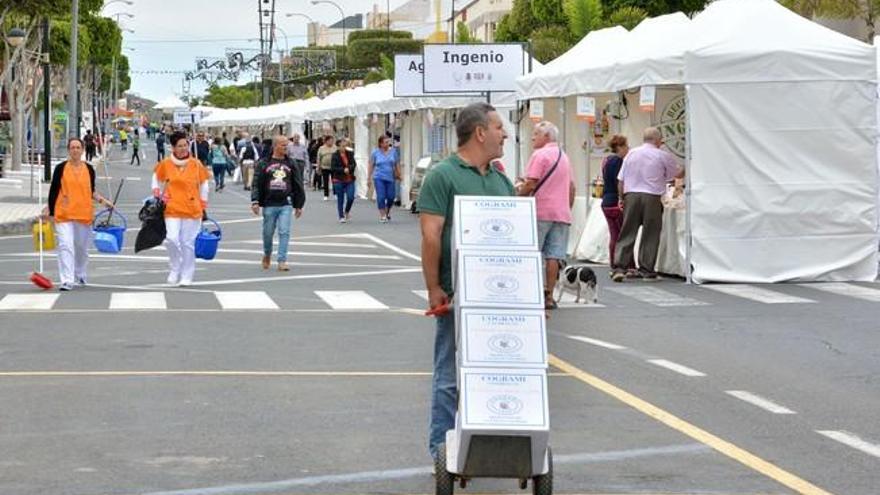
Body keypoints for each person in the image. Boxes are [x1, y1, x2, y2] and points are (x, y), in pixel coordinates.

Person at [418, 102, 513, 461]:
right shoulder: (443, 175)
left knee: (496, 373)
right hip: (458, 294)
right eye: (499, 127)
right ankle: (441, 450)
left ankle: (489, 445)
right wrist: (433, 287)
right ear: (480, 132)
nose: (505, 133)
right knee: (449, 375)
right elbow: (431, 235)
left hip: (500, 296)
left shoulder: (501, 179)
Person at [611, 127, 684, 282]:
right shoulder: (662, 155)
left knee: (627, 231)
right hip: (652, 197)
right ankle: (646, 269)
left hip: (631, 195)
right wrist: (684, 168)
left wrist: (622, 198)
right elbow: (676, 174)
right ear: (658, 140)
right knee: (650, 233)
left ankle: (619, 268)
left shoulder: (631, 154)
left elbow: (621, 180)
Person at [516, 121, 575, 310]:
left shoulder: (539, 155)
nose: (533, 137)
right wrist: (567, 208)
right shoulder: (564, 157)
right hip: (561, 213)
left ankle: (531, 293)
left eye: (536, 134)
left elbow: (531, 183)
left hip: (540, 211)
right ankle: (549, 296)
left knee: (532, 253)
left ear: (547, 137)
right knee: (554, 256)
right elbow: (572, 187)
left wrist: (516, 198)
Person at [45, 138, 113, 291]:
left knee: (81, 248)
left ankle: (80, 272)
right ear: (69, 150)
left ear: (82, 150)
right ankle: (67, 280)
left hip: (83, 214)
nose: (75, 150)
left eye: (78, 147)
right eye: (72, 147)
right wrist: (50, 209)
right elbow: (54, 190)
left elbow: (92, 191)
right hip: (63, 214)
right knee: (65, 245)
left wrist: (104, 201)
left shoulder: (89, 169)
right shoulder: (61, 168)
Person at [152, 131, 211, 287]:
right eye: (180, 146)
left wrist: (203, 202)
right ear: (173, 147)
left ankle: (187, 274)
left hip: (192, 209)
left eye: (185, 145)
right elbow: (156, 178)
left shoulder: (196, 164)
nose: (183, 148)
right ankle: (175, 267)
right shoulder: (166, 163)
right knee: (171, 239)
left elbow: (204, 184)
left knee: (187, 243)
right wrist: (157, 194)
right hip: (171, 208)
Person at [251, 135, 306, 271]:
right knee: (268, 233)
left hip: (285, 203)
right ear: (275, 146)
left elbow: (297, 184)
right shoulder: (264, 163)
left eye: (287, 145)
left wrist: (299, 204)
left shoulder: (291, 163)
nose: (286, 147)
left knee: (284, 231)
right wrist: (255, 201)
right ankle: (267, 253)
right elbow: (256, 183)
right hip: (269, 203)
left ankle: (282, 260)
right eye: (283, 145)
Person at [601, 135, 629, 270]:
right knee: (622, 235)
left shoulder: (606, 160)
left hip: (606, 201)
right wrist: (622, 198)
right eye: (626, 146)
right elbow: (619, 182)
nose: (628, 149)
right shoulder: (618, 162)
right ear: (620, 147)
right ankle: (622, 263)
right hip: (615, 202)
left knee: (614, 235)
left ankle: (613, 261)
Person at [369, 135, 400, 223]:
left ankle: (387, 209)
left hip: (390, 177)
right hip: (378, 177)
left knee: (391, 197)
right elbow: (371, 165)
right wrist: (368, 177)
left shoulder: (393, 152)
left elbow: (397, 163)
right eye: (386, 142)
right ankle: (382, 215)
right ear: (381, 144)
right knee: (381, 196)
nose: (388, 144)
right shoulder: (375, 153)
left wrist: (399, 174)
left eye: (388, 142)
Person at [330, 137, 357, 223]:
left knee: (351, 197)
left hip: (349, 179)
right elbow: (333, 167)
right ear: (338, 146)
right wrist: (343, 170)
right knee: (340, 198)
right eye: (342, 146)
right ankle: (341, 216)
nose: (343, 148)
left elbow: (354, 164)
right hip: (338, 179)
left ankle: (347, 211)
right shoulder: (335, 155)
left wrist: (349, 168)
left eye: (344, 146)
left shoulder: (350, 153)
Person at [316, 135, 336, 201]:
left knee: (335, 181)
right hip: (324, 167)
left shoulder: (335, 148)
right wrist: (318, 167)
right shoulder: (321, 148)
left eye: (332, 141)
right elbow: (319, 158)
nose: (331, 142)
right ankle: (326, 195)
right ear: (326, 141)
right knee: (325, 181)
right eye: (330, 141)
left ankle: (335, 193)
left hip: (334, 167)